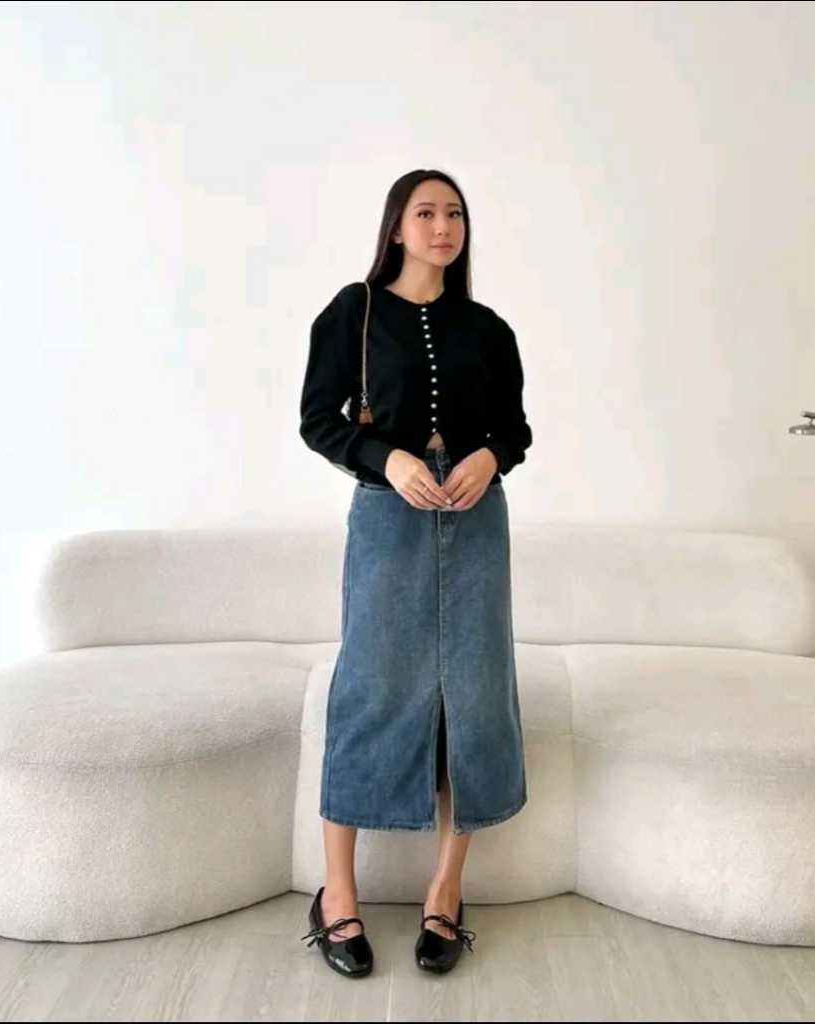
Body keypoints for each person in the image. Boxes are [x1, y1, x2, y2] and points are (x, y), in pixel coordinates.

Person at [297, 169, 532, 977]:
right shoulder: (353, 311)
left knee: (473, 693)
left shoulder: (488, 328)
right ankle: (337, 893)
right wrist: (387, 457)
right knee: (369, 689)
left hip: (475, 522)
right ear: (396, 226)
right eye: (425, 212)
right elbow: (318, 421)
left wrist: (490, 457)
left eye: (454, 212)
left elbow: (515, 427)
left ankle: (446, 891)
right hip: (387, 519)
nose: (442, 226)